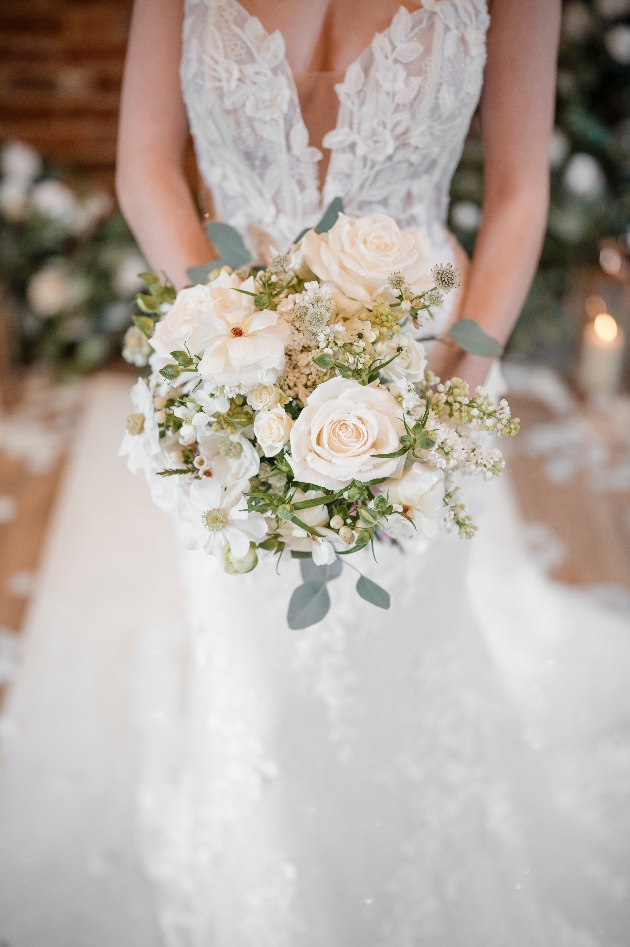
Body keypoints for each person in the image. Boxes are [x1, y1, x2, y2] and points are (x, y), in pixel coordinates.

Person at [114, 2, 629, 945]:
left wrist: (453, 382)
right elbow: (144, 166)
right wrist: (233, 343)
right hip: (230, 374)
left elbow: (520, 190)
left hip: (432, 367)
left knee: (397, 666)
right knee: (257, 679)